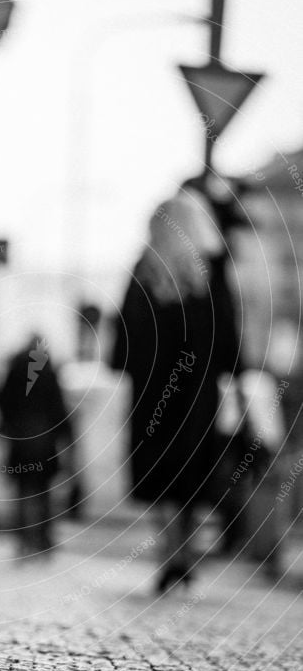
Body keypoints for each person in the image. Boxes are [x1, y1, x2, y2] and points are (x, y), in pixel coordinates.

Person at [110, 193, 241, 592]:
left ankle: (169, 552)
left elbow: (124, 334)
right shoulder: (211, 271)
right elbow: (228, 332)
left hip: (152, 391)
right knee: (191, 474)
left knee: (158, 474)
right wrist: (230, 371)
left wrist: (127, 367)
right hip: (197, 393)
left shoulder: (145, 268)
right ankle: (182, 552)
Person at [0, 334, 72, 558]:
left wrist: (10, 427)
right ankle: (42, 540)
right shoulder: (48, 372)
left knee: (22, 493)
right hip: (44, 443)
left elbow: (2, 401)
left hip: (20, 441)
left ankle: (25, 540)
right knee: (42, 493)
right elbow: (59, 410)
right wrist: (63, 435)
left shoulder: (15, 371)